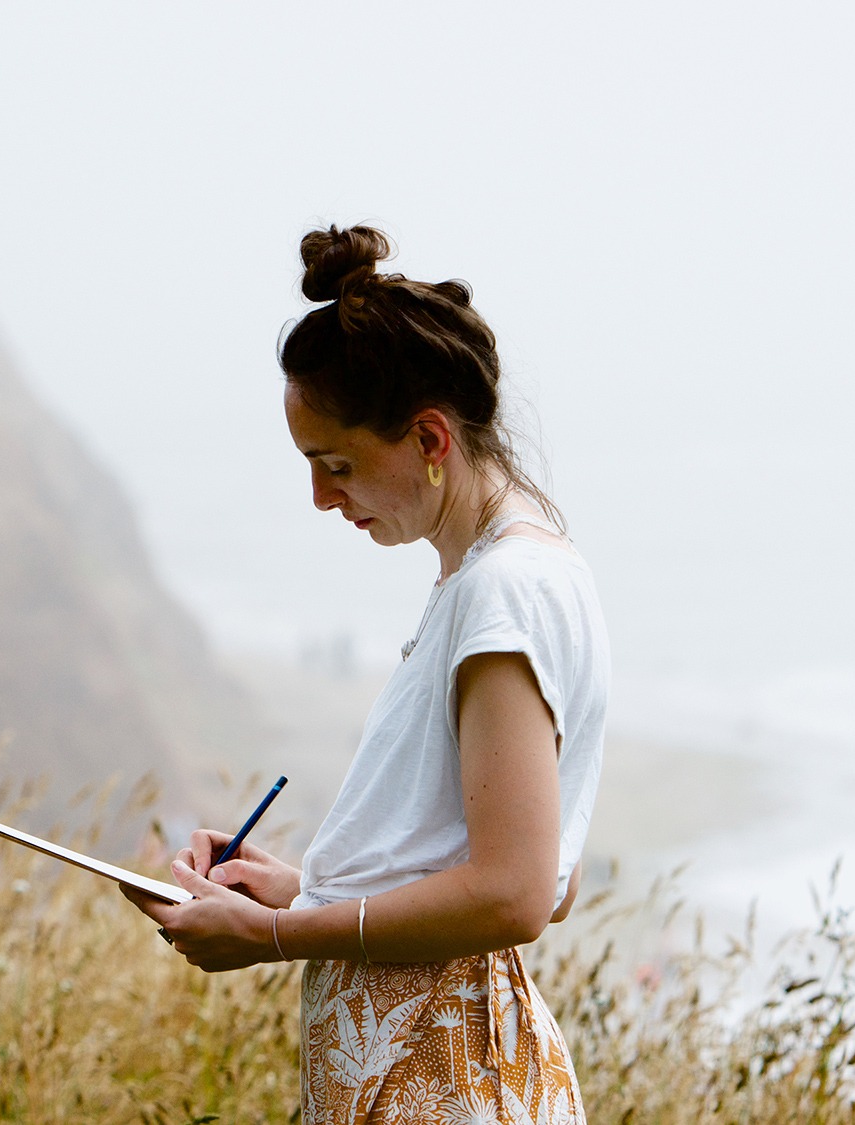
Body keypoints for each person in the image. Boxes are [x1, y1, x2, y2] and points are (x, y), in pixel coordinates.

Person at [123, 224, 608, 1124]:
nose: (322, 497)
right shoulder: (506, 574)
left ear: (429, 437)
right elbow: (524, 866)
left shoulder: (503, 593)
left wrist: (274, 933)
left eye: (337, 465)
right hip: (438, 1061)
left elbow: (516, 892)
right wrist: (308, 890)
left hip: (445, 1072)